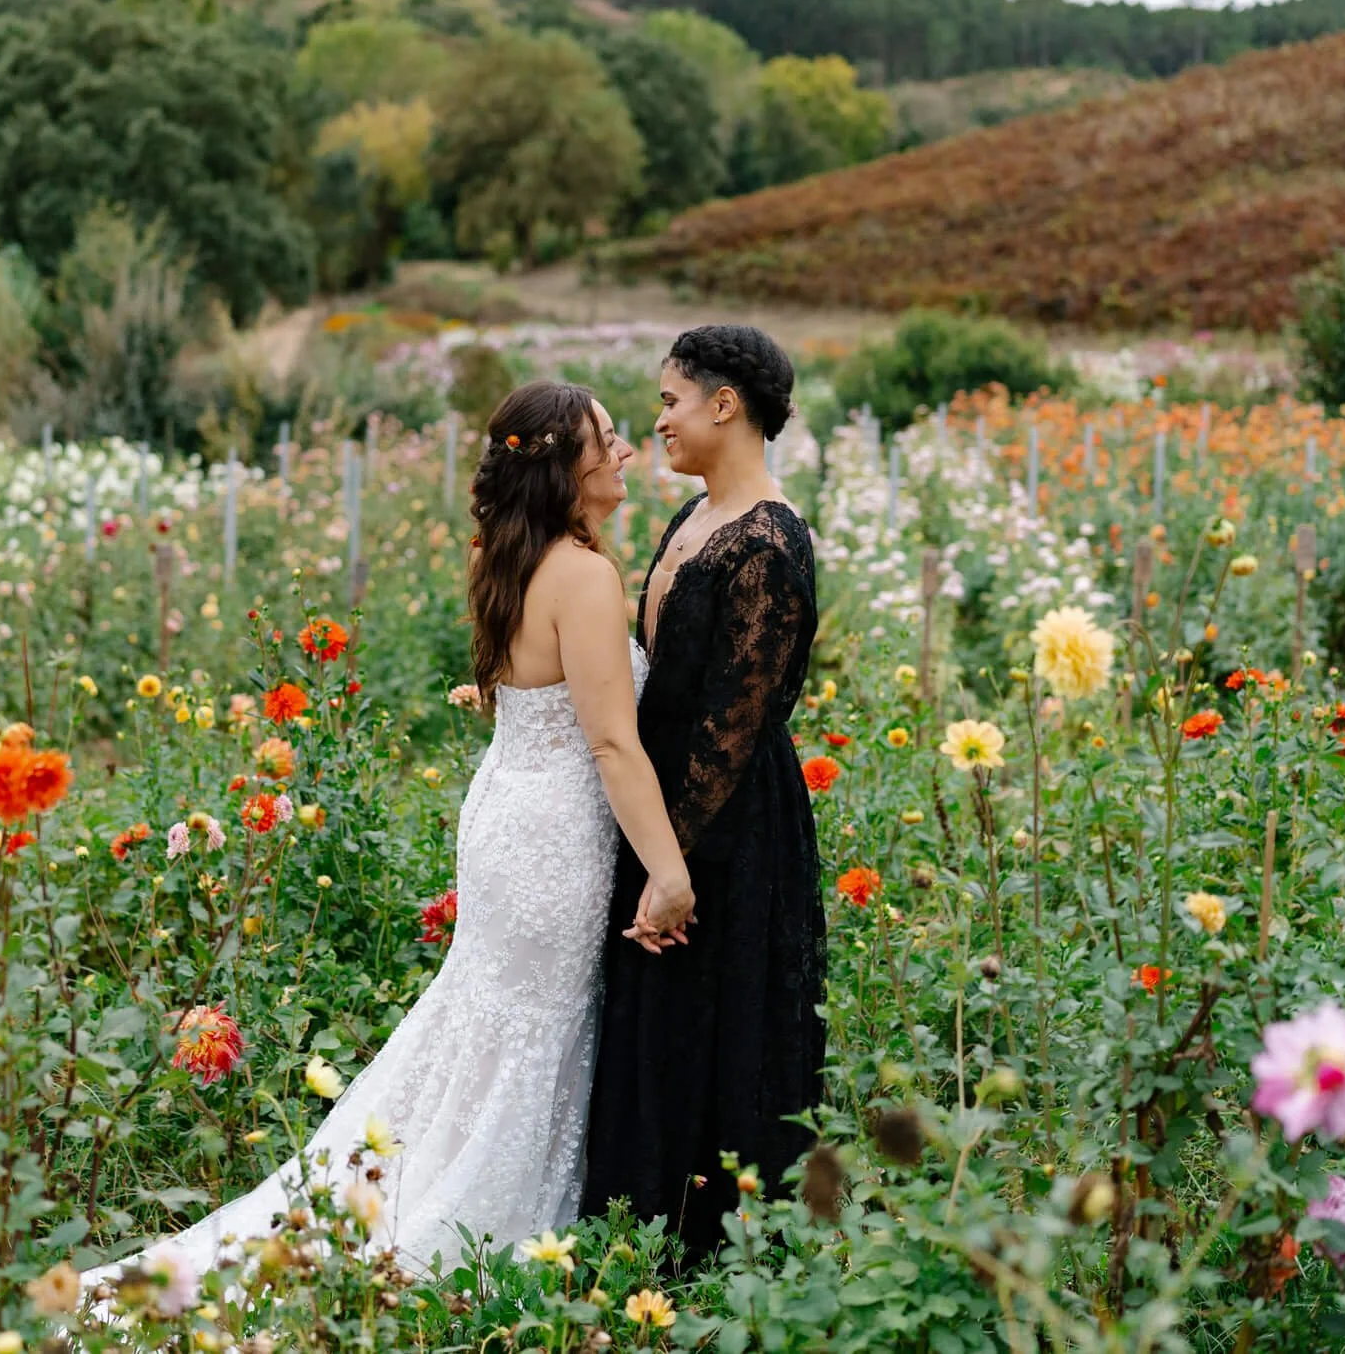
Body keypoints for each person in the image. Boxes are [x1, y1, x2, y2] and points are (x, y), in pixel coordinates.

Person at [95, 380, 693, 1292]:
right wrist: (669, 872)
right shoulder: (584, 573)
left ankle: (399, 1191)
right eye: (606, 440)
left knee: (484, 1023)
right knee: (526, 1032)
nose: (624, 451)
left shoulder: (518, 558)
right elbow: (611, 740)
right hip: (552, 837)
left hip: (505, 813)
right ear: (565, 469)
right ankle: (455, 1228)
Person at [582, 324, 824, 1266]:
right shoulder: (696, 519)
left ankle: (712, 1256)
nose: (658, 422)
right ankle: (635, 1231)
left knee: (714, 1021)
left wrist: (667, 862)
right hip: (663, 814)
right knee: (657, 1020)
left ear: (725, 405)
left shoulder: (768, 541)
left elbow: (735, 721)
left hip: (725, 825)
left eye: (670, 400)